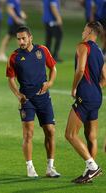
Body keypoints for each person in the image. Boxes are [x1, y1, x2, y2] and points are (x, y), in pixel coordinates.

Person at [6, 26, 61, 178]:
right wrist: (18, 95)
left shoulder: (42, 50)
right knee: (28, 134)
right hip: (27, 99)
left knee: (50, 131)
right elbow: (10, 79)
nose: (21, 41)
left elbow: (53, 68)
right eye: (18, 39)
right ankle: (30, 167)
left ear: (31, 37)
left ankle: (50, 167)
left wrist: (49, 83)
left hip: (43, 98)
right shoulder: (14, 56)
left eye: (23, 38)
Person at [65, 21, 106, 184]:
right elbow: (105, 77)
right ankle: (89, 172)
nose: (82, 32)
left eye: (84, 29)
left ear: (89, 31)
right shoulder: (99, 51)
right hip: (97, 96)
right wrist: (96, 88)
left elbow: (80, 70)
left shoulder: (83, 46)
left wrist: (74, 88)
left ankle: (93, 166)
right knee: (91, 136)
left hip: (85, 95)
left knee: (70, 134)